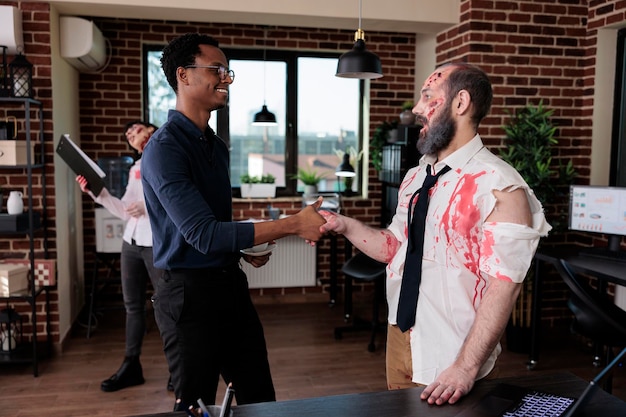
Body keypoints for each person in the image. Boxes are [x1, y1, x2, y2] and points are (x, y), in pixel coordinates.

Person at [319, 63, 551, 405]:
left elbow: (504, 287)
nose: (415, 109)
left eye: (427, 97)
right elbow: (395, 248)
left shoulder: (502, 187)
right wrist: (345, 225)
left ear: (460, 103)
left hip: (453, 354)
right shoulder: (416, 176)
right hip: (400, 335)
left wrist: (465, 367)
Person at [140, 32, 326, 412]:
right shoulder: (164, 149)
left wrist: (240, 247)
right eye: (217, 69)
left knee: (260, 398)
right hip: (188, 298)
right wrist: (293, 224)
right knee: (196, 406)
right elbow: (204, 235)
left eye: (228, 71)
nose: (226, 79)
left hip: (229, 286)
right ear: (184, 76)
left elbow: (209, 223)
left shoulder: (217, 146)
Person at [76, 120, 173, 392]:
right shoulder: (135, 169)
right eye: (128, 136)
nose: (132, 136)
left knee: (165, 307)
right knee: (132, 307)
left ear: (152, 131)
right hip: (131, 243)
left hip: (157, 244)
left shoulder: (168, 158)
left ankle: (178, 368)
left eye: (136, 130)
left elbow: (174, 202)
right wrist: (98, 193)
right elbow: (124, 210)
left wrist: (145, 206)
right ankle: (131, 366)